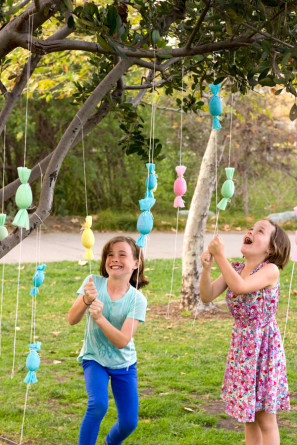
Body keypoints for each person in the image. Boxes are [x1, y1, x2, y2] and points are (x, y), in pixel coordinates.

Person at [199, 219, 291, 445]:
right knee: (248, 418)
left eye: (260, 231)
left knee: (265, 419)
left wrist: (219, 256)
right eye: (251, 229)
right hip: (243, 348)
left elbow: (240, 287)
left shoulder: (270, 271)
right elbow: (207, 295)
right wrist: (207, 269)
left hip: (263, 350)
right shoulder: (237, 268)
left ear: (270, 248)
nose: (250, 232)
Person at [68, 236, 148, 445]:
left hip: (124, 363)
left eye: (122, 254)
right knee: (98, 405)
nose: (115, 259)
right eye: (110, 254)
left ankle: (111, 442)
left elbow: (122, 340)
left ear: (136, 263)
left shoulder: (137, 299)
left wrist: (99, 318)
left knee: (129, 423)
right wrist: (86, 299)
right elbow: (72, 319)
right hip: (94, 358)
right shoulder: (93, 283)